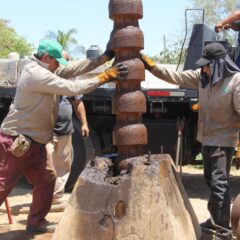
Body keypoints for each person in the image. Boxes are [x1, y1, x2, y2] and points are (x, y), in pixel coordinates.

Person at [0, 39, 128, 233]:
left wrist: (103, 58)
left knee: (47, 180)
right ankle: (36, 222)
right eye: (57, 61)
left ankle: (36, 223)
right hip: (17, 142)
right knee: (3, 184)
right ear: (46, 58)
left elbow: (74, 69)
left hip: (36, 143)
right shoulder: (36, 74)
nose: (60, 65)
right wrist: (106, 76)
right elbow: (73, 88)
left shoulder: (47, 69)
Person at [141, 42, 240, 240]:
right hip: (207, 138)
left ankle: (223, 230)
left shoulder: (236, 81)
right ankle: (214, 220)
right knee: (210, 180)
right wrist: (151, 66)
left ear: (220, 64)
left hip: (224, 140)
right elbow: (176, 76)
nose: (203, 68)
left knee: (219, 183)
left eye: (207, 65)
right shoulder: (202, 78)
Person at [46, 50, 90, 205]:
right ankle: (43, 198)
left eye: (64, 63)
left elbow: (77, 102)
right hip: (46, 132)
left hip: (65, 130)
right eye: (59, 62)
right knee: (47, 166)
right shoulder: (44, 77)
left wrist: (84, 123)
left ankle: (56, 197)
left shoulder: (70, 80)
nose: (61, 66)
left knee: (63, 165)